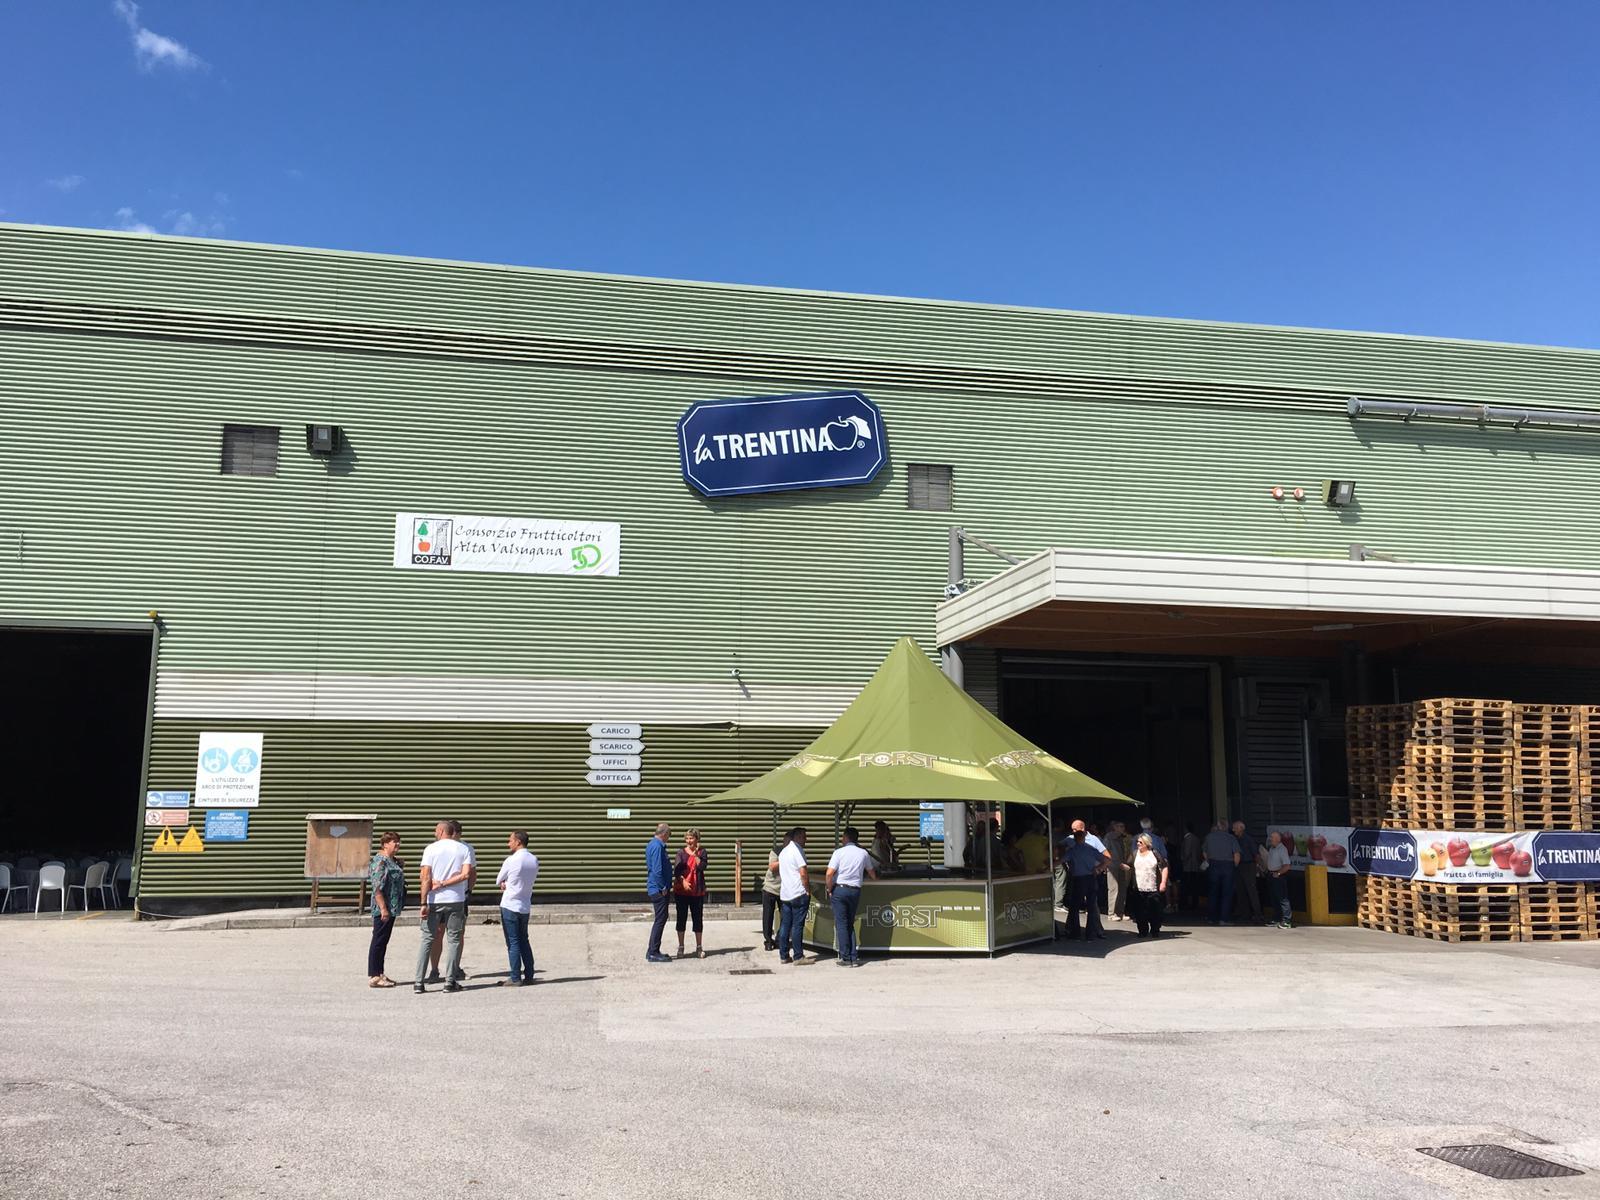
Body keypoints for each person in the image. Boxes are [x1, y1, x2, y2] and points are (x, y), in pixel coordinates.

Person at [414, 821, 472, 994]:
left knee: (427, 938)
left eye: (435, 830)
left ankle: (419, 982)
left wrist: (423, 902)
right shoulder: (463, 849)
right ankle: (450, 981)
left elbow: (425, 877)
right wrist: (446, 883)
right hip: (456, 899)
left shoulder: (430, 849)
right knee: (454, 939)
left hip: (433, 900)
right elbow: (466, 874)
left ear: (440, 831)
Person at [428, 819, 476, 983]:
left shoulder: (466, 847)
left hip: (458, 896)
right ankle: (434, 970)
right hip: (439, 895)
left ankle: (454, 967)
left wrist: (469, 891)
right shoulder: (436, 847)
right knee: (438, 933)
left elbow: (472, 872)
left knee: (457, 933)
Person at [825, 826, 877, 967]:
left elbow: (829, 873)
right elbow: (872, 873)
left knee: (841, 923)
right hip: (855, 891)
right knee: (849, 923)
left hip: (840, 890)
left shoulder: (838, 853)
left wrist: (829, 889)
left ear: (846, 837)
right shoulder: (863, 853)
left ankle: (846, 958)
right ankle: (854, 956)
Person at [495, 830, 539, 986]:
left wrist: (505, 884)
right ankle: (529, 975)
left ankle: (515, 977)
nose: (508, 843)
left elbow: (498, 879)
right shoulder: (534, 860)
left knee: (513, 942)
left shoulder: (511, 860)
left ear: (518, 842)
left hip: (510, 905)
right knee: (524, 940)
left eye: (510, 840)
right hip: (525, 905)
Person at [367, 831, 405, 988]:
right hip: (383, 908)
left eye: (398, 841)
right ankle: (374, 975)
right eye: (394, 841)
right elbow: (377, 887)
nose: (397, 844)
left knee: (383, 941)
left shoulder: (391, 860)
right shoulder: (380, 862)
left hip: (392, 907)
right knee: (378, 940)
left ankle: (380, 972)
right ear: (384, 844)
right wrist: (383, 908)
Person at [1064, 821, 1109, 941]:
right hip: (1086, 876)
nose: (1073, 833)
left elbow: (1107, 856)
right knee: (1089, 906)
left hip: (1083, 877)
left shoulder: (1093, 841)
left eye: (1075, 830)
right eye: (1072, 830)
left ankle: (1083, 932)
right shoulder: (1071, 840)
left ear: (1083, 830)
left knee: (1080, 906)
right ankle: (1088, 933)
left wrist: (1099, 869)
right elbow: (1106, 859)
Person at [673, 828, 709, 959]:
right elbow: (677, 872)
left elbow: (702, 867)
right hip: (682, 891)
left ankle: (699, 947)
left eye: (691, 838)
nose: (689, 841)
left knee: (697, 919)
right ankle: (681, 947)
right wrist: (683, 882)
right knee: (681, 918)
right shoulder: (680, 853)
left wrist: (695, 855)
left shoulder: (702, 852)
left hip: (697, 890)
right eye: (687, 838)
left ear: (697, 839)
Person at [776, 826, 809, 964]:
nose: (806, 840)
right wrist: (807, 889)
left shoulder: (784, 851)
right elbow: (803, 872)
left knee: (785, 924)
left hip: (786, 893)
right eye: (804, 837)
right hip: (798, 892)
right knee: (797, 925)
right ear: (798, 837)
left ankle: (784, 955)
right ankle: (798, 956)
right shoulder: (797, 851)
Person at [1201, 819, 1240, 925]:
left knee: (1213, 892)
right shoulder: (1231, 838)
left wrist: (1210, 861)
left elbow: (1204, 852)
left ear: (1218, 827)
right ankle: (1224, 919)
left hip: (1214, 865)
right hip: (1228, 866)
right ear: (1226, 827)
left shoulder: (1209, 837)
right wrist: (1234, 866)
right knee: (1226, 893)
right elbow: (1237, 855)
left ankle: (1211, 918)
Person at [1129, 833, 1169, 938]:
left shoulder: (1154, 853)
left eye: (1140, 842)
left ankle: (1155, 930)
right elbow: (1128, 865)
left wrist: (1163, 882)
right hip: (1138, 887)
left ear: (1147, 843)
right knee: (1140, 911)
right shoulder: (1134, 854)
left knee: (1155, 911)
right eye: (1137, 842)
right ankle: (1142, 931)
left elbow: (1164, 867)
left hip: (1153, 887)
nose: (1138, 844)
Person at [644, 822, 673, 963]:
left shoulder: (653, 844)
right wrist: (663, 888)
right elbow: (657, 870)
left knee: (660, 919)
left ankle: (652, 950)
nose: (669, 838)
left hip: (656, 888)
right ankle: (653, 952)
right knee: (660, 919)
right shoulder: (657, 846)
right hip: (658, 889)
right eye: (669, 835)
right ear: (665, 833)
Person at [1231, 820, 1262, 925]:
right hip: (1239, 866)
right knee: (1241, 891)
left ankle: (1258, 915)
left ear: (1241, 828)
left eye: (1235, 827)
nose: (1233, 829)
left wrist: (1257, 866)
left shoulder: (1248, 839)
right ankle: (1245, 914)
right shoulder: (1235, 839)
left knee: (1251, 891)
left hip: (1249, 865)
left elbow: (1256, 854)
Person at [761, 834, 787, 951]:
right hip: (770, 888)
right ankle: (768, 940)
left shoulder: (796, 852)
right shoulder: (776, 851)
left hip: (784, 890)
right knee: (768, 916)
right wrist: (787, 860)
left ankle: (780, 939)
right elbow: (772, 867)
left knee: (785, 916)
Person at [1262, 830, 1293, 928]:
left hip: (1279, 876)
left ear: (1278, 839)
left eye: (1272, 837)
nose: (1270, 839)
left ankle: (1287, 920)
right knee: (1274, 898)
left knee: (1282, 898)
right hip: (1271, 875)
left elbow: (1287, 865)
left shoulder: (1282, 849)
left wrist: (1278, 873)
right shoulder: (1272, 848)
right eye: (1270, 837)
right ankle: (1276, 918)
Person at [1103, 820, 1131, 921]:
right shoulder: (1109, 838)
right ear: (1115, 827)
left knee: (1122, 889)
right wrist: (1118, 864)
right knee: (1114, 889)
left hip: (1121, 866)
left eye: (1123, 826)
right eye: (1120, 826)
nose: (1123, 828)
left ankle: (1120, 912)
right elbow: (1105, 853)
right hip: (1113, 866)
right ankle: (1111, 913)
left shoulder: (1122, 838)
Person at [1181, 824, 1203, 912]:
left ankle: (1186, 904)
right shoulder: (1197, 839)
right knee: (1194, 885)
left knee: (1187, 885)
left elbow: (1187, 853)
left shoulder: (1187, 839)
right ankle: (1194, 903)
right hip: (1195, 865)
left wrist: (1183, 861)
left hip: (1188, 866)